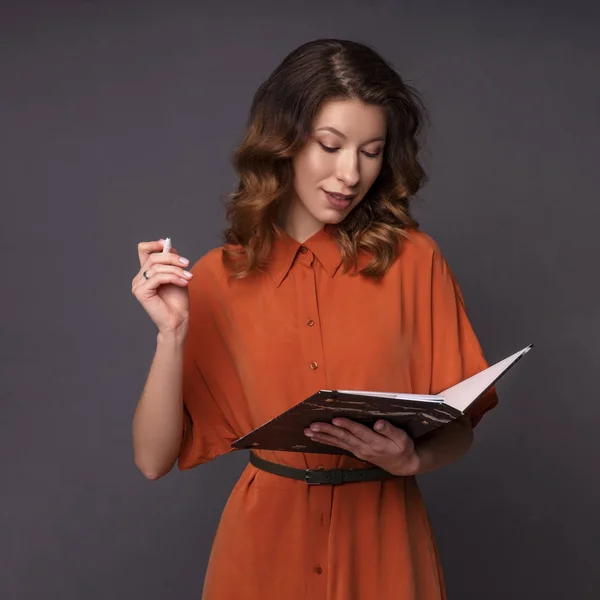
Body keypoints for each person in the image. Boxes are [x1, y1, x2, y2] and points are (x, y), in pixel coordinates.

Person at [131, 38, 498, 600]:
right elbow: (152, 460)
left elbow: (459, 427)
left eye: (370, 151)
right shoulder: (216, 278)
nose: (349, 173)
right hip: (261, 553)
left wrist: (413, 457)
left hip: (384, 542)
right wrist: (172, 334)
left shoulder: (414, 261)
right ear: (284, 142)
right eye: (330, 145)